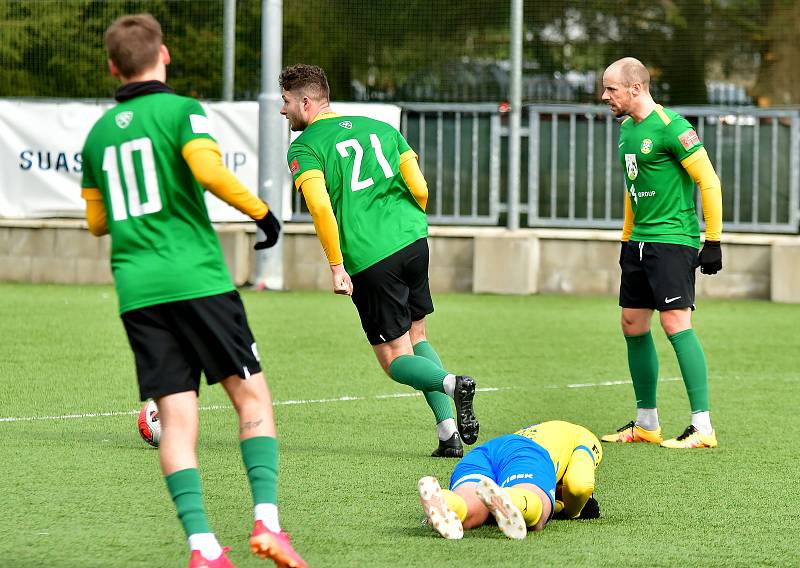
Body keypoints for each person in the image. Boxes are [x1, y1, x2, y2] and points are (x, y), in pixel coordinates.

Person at [80, 14, 306, 568]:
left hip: (137, 290)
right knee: (251, 398)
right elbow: (206, 170)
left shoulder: (99, 134)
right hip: (197, 279)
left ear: (113, 66)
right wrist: (261, 212)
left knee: (175, 420)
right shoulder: (183, 111)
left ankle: (203, 547)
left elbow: (96, 221)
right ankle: (268, 525)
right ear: (166, 55)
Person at [278, 64, 478, 457]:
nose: (282, 111)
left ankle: (453, 383)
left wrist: (336, 265)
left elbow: (319, 206)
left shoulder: (304, 147)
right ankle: (447, 434)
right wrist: (409, 223)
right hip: (413, 239)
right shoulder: (381, 127)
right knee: (417, 336)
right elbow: (419, 185)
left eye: (285, 102)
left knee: (393, 359)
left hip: (371, 256)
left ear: (305, 101)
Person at [600, 57, 723, 450]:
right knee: (632, 325)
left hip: (673, 240)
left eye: (611, 89)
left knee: (675, 324)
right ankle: (646, 422)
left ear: (635, 88)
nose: (605, 96)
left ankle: (702, 426)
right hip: (638, 242)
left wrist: (714, 239)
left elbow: (709, 181)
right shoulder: (626, 131)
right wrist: (626, 238)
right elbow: (631, 188)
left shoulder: (674, 129)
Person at [418, 420, 602, 540]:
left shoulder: (545, 430)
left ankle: (446, 501)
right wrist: (573, 511)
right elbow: (579, 486)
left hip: (482, 454)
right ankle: (509, 497)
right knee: (536, 506)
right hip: (525, 452)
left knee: (471, 512)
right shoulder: (586, 437)